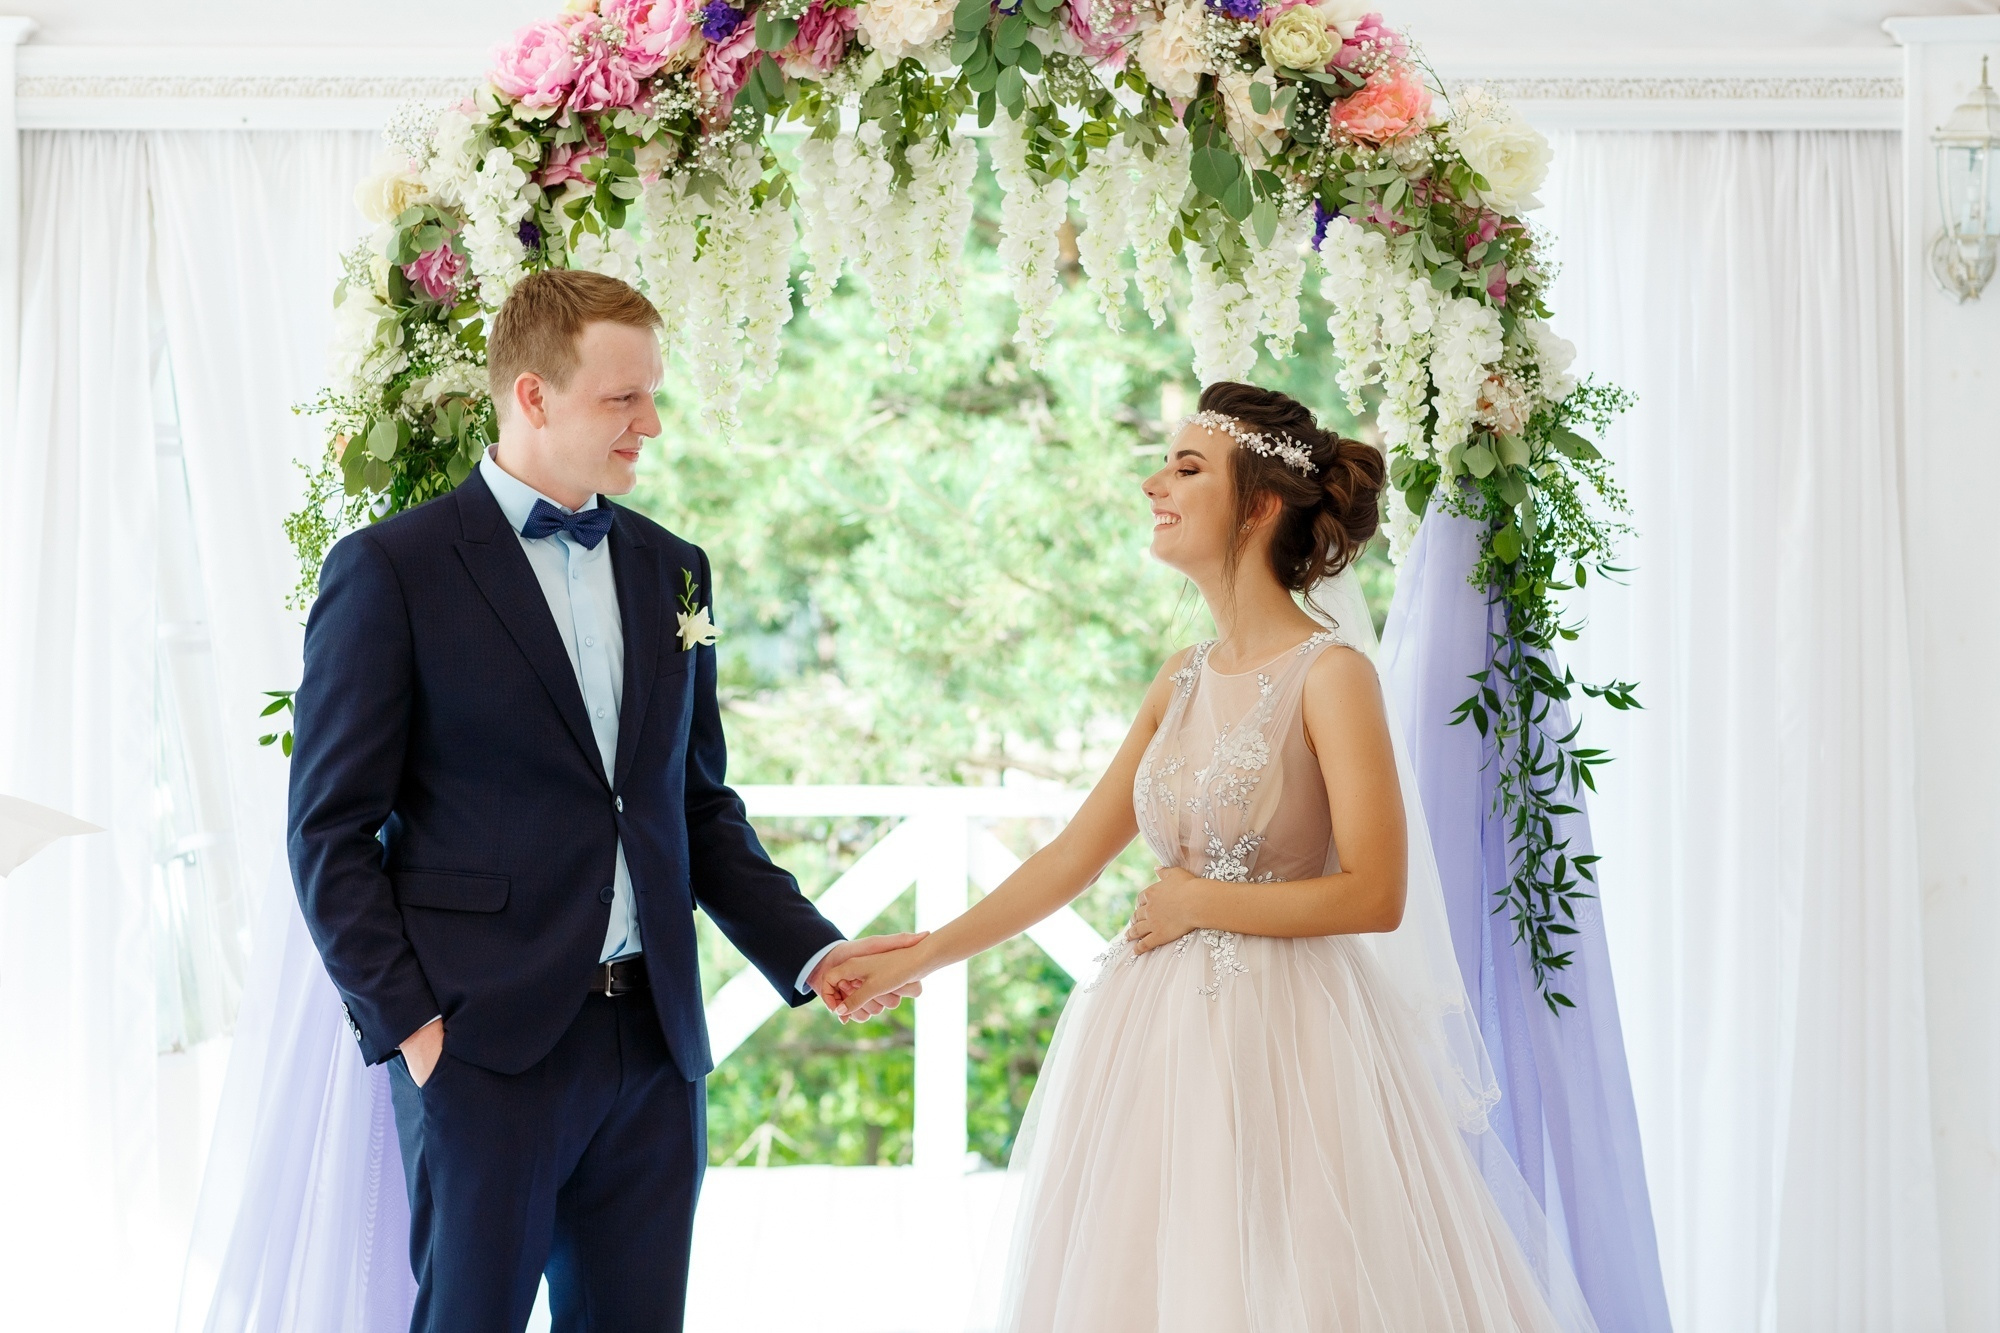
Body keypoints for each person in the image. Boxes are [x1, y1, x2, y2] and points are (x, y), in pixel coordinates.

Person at [823, 382, 1599, 1332]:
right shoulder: (1180, 677)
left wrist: (1195, 902)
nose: (1155, 481)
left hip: (1295, 1043)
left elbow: (1376, 892)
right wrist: (918, 956)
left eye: (1187, 467)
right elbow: (1072, 854)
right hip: (1153, 1044)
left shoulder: (1332, 675)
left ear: (1261, 503)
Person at [287, 268, 918, 1333]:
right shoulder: (392, 571)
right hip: (483, 1048)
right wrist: (417, 1031)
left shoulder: (674, 571)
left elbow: (694, 808)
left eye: (651, 394)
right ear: (532, 397)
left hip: (655, 1051)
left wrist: (812, 952)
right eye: (622, 400)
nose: (652, 425)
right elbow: (328, 833)